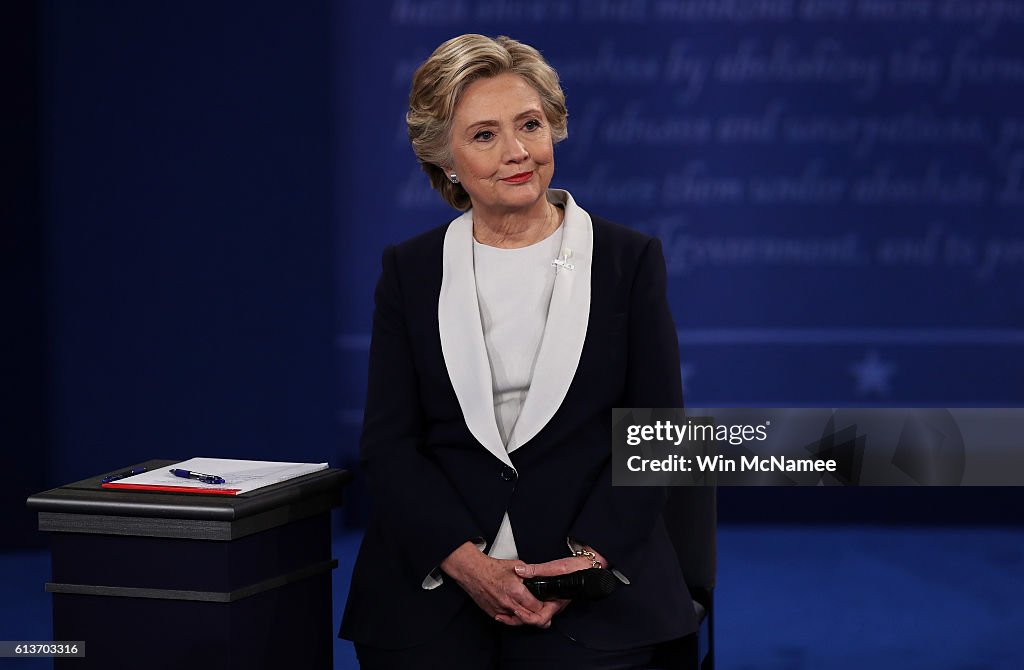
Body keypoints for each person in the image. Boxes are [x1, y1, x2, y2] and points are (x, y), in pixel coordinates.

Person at [340, 34, 697, 669]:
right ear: (443, 158)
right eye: (483, 135)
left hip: (596, 588)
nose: (517, 152)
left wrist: (582, 565)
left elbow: (659, 434)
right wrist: (468, 564)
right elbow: (389, 444)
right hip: (437, 585)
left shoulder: (628, 260)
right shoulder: (411, 271)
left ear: (553, 128)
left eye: (529, 124)